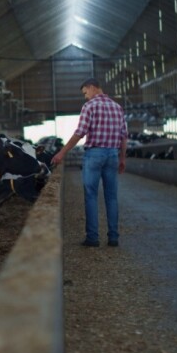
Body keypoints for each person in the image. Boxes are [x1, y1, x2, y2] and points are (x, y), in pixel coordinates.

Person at [51, 77, 128, 247]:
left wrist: (62, 153)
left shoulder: (89, 106)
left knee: (91, 195)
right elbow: (124, 136)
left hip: (94, 155)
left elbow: (80, 133)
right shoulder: (117, 107)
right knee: (111, 197)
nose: (85, 97)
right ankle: (113, 237)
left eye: (85, 93)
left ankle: (93, 238)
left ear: (92, 87)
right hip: (113, 155)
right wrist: (122, 158)